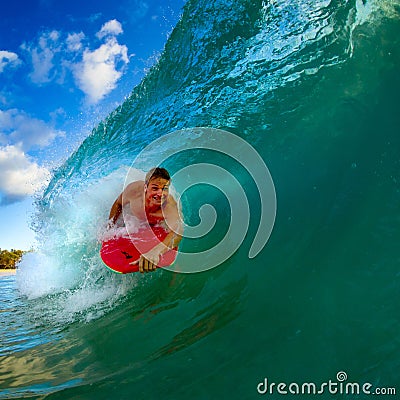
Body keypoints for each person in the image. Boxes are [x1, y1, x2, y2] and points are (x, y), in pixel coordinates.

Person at [108, 167, 183, 273]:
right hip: (140, 218)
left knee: (175, 262)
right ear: (145, 187)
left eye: (165, 188)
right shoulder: (133, 192)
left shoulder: (169, 206)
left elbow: (177, 232)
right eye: (155, 188)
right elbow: (118, 204)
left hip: (159, 224)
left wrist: (155, 251)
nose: (161, 193)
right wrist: (110, 226)